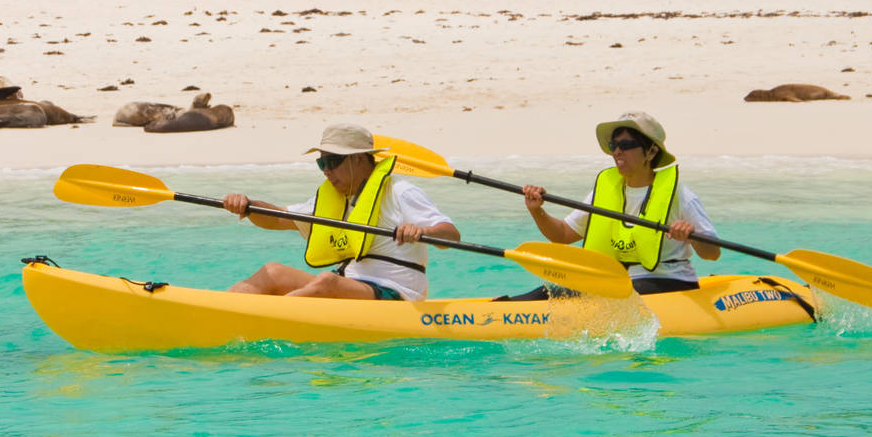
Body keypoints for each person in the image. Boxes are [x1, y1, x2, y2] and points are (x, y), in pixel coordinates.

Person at [221, 122, 460, 300]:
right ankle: (223, 308)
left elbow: (450, 235)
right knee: (272, 272)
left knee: (327, 281)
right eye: (321, 163)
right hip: (347, 285)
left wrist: (423, 231)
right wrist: (248, 205)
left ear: (358, 159)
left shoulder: (400, 192)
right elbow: (277, 219)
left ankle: (262, 318)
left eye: (332, 162)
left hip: (396, 292)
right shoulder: (333, 196)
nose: (326, 170)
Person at [505, 111, 719, 298]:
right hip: (617, 283)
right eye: (613, 145)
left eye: (626, 145)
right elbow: (562, 235)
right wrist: (537, 210)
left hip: (670, 281)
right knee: (548, 292)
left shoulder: (679, 195)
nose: (617, 152)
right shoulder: (605, 190)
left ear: (651, 152)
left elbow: (712, 253)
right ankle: (504, 308)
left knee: (612, 294)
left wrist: (691, 235)